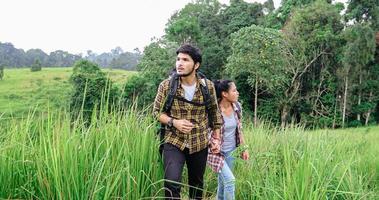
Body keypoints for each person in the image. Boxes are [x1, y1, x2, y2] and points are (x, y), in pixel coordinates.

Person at [153, 44, 223, 199]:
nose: (179, 63)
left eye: (185, 60)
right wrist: (174, 122)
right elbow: (157, 112)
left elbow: (214, 113)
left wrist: (217, 137)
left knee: (196, 186)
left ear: (196, 65)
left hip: (199, 142)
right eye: (178, 59)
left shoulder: (208, 87)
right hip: (173, 140)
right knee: (171, 182)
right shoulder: (166, 86)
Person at [207, 80, 249, 200]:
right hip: (215, 153)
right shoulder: (213, 110)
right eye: (234, 90)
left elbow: (239, 130)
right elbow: (205, 132)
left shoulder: (237, 107)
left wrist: (244, 148)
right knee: (230, 181)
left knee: (223, 182)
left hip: (231, 151)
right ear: (225, 94)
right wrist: (213, 143)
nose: (237, 93)